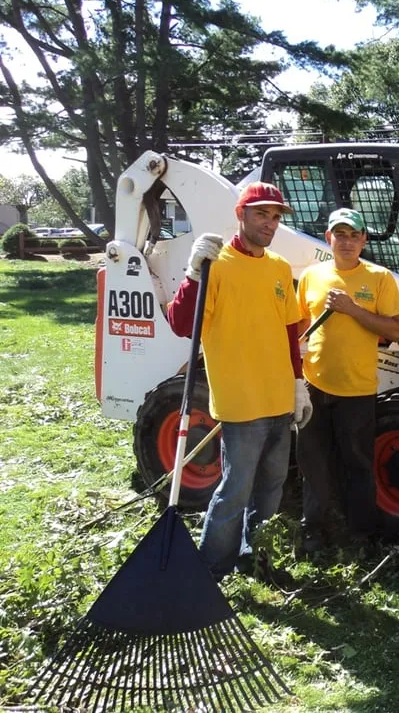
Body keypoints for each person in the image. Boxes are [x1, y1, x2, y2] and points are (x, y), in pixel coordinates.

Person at [166, 181, 312, 580]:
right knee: (236, 489)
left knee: (272, 488)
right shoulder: (217, 264)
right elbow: (183, 325)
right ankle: (212, 567)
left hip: (279, 397)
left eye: (276, 216)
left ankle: (256, 559)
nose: (270, 223)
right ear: (241, 215)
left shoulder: (279, 267)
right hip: (240, 401)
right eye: (262, 213)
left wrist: (298, 384)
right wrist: (194, 273)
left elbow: (288, 331)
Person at [295, 208, 399, 553]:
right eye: (339, 235)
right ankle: (313, 530)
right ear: (328, 238)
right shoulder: (312, 276)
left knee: (358, 464)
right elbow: (299, 329)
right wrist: (294, 376)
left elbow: (395, 332)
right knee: (313, 463)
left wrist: (352, 309)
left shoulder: (379, 278)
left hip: (357, 389)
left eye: (353, 235)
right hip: (314, 386)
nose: (346, 241)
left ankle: (362, 536)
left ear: (364, 240)